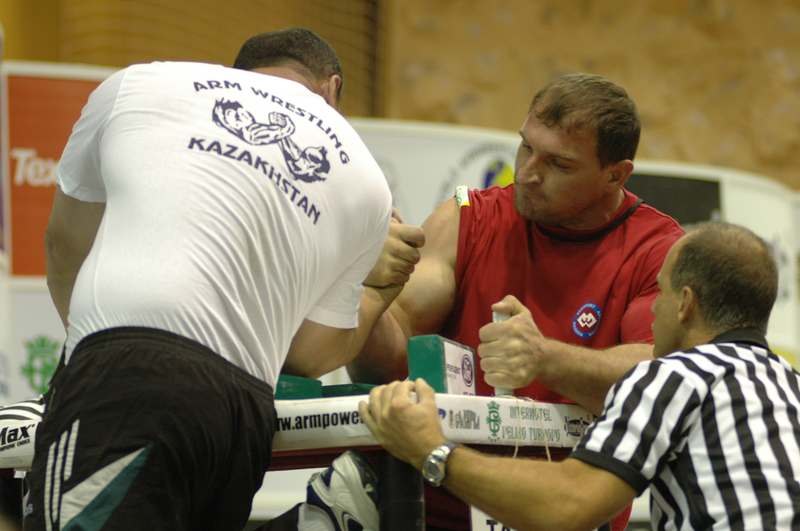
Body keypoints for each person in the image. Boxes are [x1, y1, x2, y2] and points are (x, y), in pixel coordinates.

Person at [26, 28, 422, 531]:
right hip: (242, 409)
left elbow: (65, 247)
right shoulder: (365, 178)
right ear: (332, 91)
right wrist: (382, 289)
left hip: (127, 374)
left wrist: (86, 353)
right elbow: (310, 355)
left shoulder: (141, 84)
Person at [344, 72, 684, 530]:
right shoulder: (468, 220)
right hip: (430, 506)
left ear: (615, 174)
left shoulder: (658, 250)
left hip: (560, 512)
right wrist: (367, 289)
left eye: (559, 164)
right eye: (526, 147)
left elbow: (662, 380)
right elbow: (383, 361)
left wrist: (544, 358)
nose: (527, 172)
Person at [361, 221, 800, 530]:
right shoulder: (790, 383)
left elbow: (565, 508)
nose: (656, 312)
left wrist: (432, 450)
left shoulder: (674, 375)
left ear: (685, 303)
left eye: (661, 294)